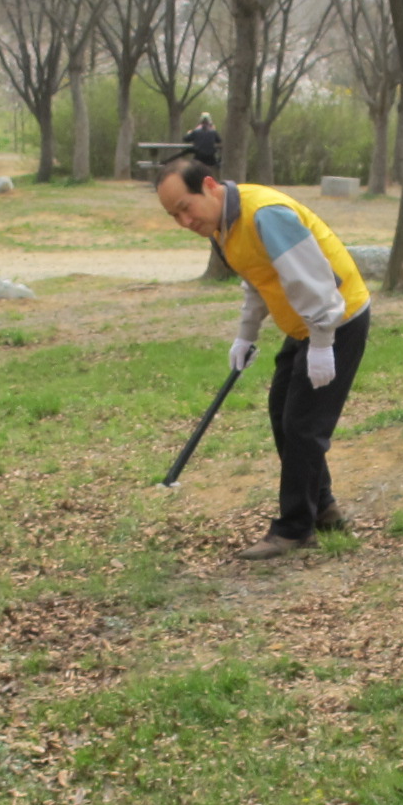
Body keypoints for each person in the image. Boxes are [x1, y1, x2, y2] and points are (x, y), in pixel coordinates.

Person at [157, 160, 371, 561]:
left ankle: (294, 529)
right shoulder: (224, 227)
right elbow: (258, 280)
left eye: (186, 207)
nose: (184, 220)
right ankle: (322, 507)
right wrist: (246, 335)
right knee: (282, 415)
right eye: (174, 215)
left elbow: (316, 282)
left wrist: (324, 343)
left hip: (336, 319)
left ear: (209, 186)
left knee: (304, 427)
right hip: (304, 326)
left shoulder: (266, 215)